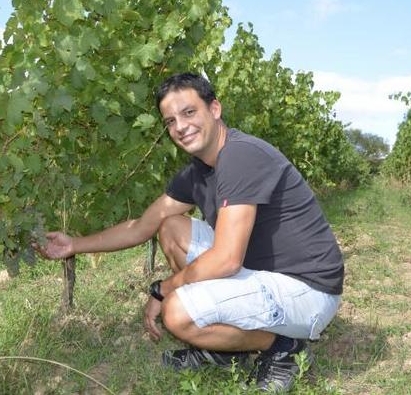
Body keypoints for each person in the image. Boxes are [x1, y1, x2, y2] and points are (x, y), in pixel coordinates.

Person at [37, 72, 344, 392]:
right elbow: (143, 226)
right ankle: (225, 350)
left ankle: (282, 348)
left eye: (188, 112)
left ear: (214, 109)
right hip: (264, 274)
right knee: (170, 226)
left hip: (308, 291)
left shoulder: (240, 156)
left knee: (178, 312)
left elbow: (226, 260)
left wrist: (163, 289)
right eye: (170, 121)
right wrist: (74, 244)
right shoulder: (198, 172)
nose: (180, 127)